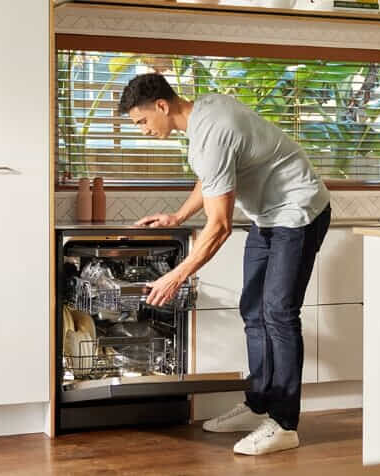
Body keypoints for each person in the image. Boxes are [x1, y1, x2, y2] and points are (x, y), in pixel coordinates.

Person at [117, 73, 331, 456]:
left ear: (162, 106)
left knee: (279, 314)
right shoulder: (202, 116)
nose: (143, 130)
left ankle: (284, 424)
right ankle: (259, 404)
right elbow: (212, 174)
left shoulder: (213, 130)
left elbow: (219, 227)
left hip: (299, 212)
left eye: (142, 121)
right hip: (268, 216)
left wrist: (176, 276)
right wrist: (179, 216)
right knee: (253, 310)